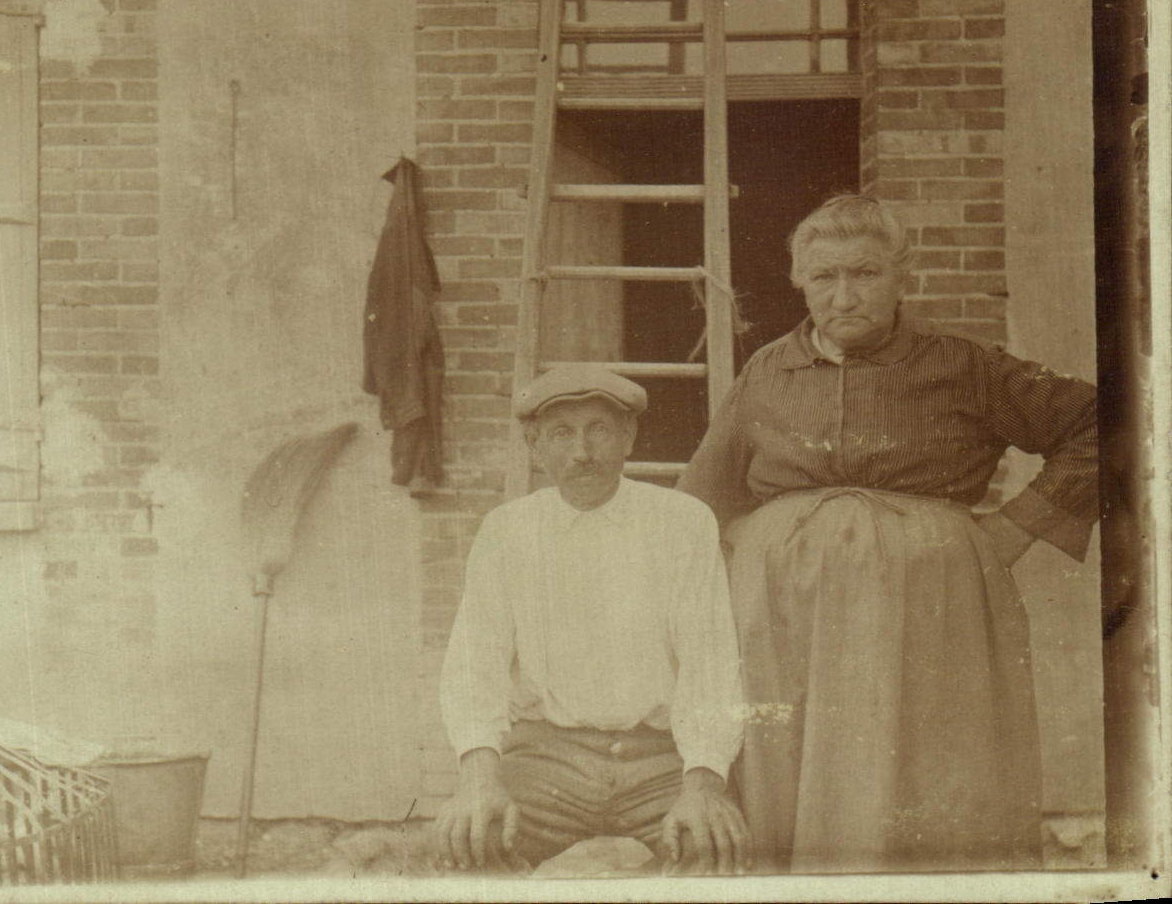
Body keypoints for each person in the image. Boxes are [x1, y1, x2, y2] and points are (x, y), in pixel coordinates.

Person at [677, 194, 1099, 873]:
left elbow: (1103, 423)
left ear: (904, 276)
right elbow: (701, 498)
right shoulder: (767, 371)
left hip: (932, 606)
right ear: (799, 281)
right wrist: (751, 549)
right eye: (825, 276)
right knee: (782, 764)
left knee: (927, 769)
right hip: (782, 616)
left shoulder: (963, 364)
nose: (844, 295)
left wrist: (1018, 524)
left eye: (866, 273)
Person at [434, 364, 750, 874]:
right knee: (471, 843)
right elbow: (474, 667)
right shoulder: (507, 531)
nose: (582, 451)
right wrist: (478, 779)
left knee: (714, 848)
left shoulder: (682, 521)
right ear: (535, 446)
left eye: (598, 429)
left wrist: (703, 784)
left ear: (629, 437)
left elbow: (709, 662)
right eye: (562, 433)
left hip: (661, 759)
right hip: (548, 759)